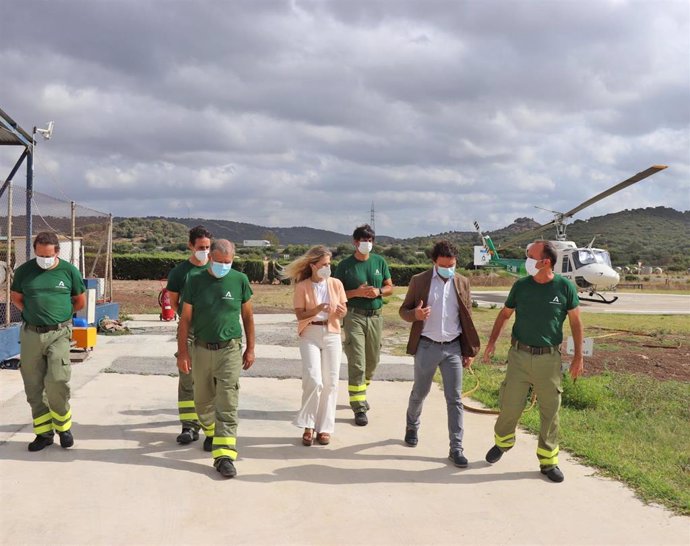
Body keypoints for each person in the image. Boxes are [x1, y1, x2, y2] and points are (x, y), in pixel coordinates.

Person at [483, 240, 584, 483]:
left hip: (548, 359)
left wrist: (578, 356)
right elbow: (505, 314)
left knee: (550, 411)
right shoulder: (521, 286)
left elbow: (576, 323)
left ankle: (548, 461)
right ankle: (503, 443)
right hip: (519, 355)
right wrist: (492, 342)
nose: (525, 259)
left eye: (530, 255)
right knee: (510, 405)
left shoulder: (565, 287)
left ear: (545, 262)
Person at [177, 239, 255, 479]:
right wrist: (183, 352)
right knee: (202, 402)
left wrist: (250, 348)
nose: (224, 266)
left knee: (227, 401)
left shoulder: (239, 280)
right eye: (220, 262)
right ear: (210, 258)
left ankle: (224, 455)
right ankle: (210, 431)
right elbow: (185, 320)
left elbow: (248, 317)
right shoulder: (195, 280)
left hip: (230, 349)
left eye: (228, 262)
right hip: (201, 348)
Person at [399, 240, 480, 467]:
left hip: (453, 347)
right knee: (420, 392)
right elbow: (403, 311)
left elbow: (467, 318)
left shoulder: (462, 282)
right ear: (434, 262)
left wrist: (468, 349)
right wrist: (415, 314)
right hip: (426, 346)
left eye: (452, 264)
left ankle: (456, 448)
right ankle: (412, 425)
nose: (449, 269)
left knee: (454, 399)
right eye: (444, 265)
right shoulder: (419, 281)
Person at [10, 231, 86, 452]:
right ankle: (43, 434)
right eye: (40, 255)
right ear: (34, 251)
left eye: (49, 255)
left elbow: (79, 301)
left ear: (57, 252)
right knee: (33, 386)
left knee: (57, 380)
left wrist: (61, 316)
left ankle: (64, 428)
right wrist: (31, 313)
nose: (44, 259)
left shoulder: (69, 271)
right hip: (31, 334)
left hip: (59, 333)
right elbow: (16, 297)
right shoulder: (24, 271)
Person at [283, 246, 347, 446]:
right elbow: (300, 315)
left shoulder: (336, 284)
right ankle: (308, 425)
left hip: (332, 333)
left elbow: (343, 311)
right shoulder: (302, 286)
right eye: (324, 265)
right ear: (313, 265)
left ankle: (325, 428)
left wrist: (341, 312)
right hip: (309, 332)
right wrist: (318, 308)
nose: (328, 268)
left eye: (329, 264)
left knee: (331, 382)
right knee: (313, 379)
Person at [333, 224, 393, 426]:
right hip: (354, 316)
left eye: (370, 240)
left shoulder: (380, 261)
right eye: (362, 240)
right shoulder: (345, 265)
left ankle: (361, 389)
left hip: (376, 316)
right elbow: (336, 293)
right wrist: (356, 293)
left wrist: (379, 292)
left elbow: (389, 287)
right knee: (357, 360)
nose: (366, 244)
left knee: (372, 360)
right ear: (355, 242)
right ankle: (358, 407)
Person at [166, 225, 212, 447]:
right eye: (201, 247)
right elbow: (174, 302)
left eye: (208, 247)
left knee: (209, 380)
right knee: (187, 379)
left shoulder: (215, 268)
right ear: (190, 246)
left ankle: (209, 425)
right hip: (190, 331)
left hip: (211, 331)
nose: (205, 251)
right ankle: (188, 426)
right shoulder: (180, 272)